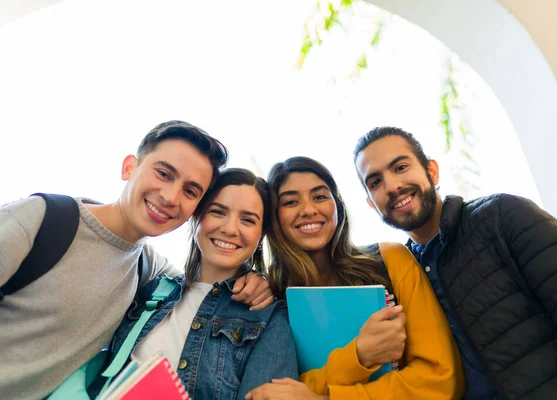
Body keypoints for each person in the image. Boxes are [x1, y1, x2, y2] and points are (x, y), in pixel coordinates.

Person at [0, 121, 273, 400]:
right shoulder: (39, 221)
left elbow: (202, 284)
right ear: (129, 167)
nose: (170, 197)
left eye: (190, 191)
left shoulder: (147, 268)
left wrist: (257, 279)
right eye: (164, 173)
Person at [352, 126, 557, 400]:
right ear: (370, 203)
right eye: (375, 182)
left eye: (400, 167)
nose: (392, 186)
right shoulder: (399, 277)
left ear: (432, 171)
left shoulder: (502, 216)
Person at [247, 156, 464, 400]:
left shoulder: (389, 259)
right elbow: (269, 391)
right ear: (274, 218)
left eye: (319, 196)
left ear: (337, 205)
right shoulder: (269, 293)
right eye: (290, 202)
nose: (308, 210)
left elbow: (441, 380)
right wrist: (359, 356)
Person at [107, 168, 298, 399]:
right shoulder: (151, 288)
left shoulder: (271, 318)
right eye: (218, 212)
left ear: (261, 237)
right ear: (196, 216)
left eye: (247, 220)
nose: (230, 229)